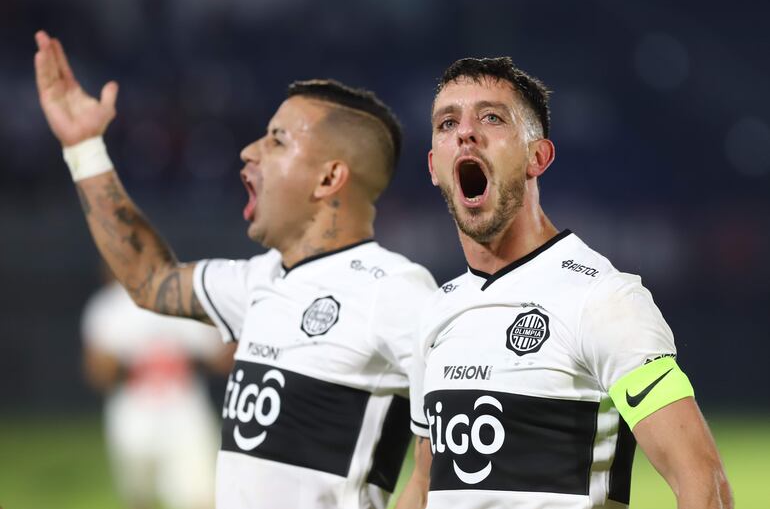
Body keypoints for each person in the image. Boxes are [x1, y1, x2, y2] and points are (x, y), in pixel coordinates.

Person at [34, 30, 437, 509]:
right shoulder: (258, 280)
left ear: (330, 178)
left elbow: (449, 455)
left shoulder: (393, 289)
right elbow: (150, 280)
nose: (249, 151)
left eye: (276, 140)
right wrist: (85, 151)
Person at [396, 57, 733, 509]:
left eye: (492, 117)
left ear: (538, 156)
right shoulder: (438, 310)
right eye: (447, 122)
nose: (466, 132)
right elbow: (423, 484)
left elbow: (703, 484)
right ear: (435, 166)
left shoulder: (602, 298)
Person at [82, 271, 233, 509]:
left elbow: (222, 357)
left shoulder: (178, 298)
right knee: (141, 499)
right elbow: (99, 374)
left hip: (183, 411)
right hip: (134, 413)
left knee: (200, 498)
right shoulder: (109, 306)